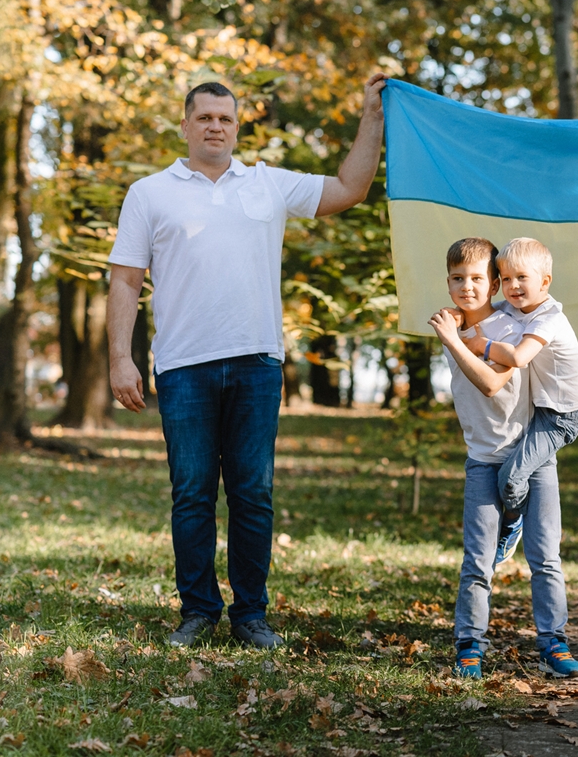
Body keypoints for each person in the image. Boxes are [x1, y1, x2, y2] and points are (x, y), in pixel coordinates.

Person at [106, 74, 389, 649]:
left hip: (258, 361)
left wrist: (372, 117)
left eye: (225, 119)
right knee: (191, 492)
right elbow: (126, 279)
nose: (215, 126)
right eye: (204, 117)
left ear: (237, 127)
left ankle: (251, 614)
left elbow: (349, 188)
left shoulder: (268, 184)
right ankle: (198, 612)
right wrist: (120, 357)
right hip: (183, 366)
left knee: (252, 493)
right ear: (185, 125)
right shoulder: (149, 192)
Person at [429, 238, 578, 680]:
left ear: (494, 283)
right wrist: (455, 333)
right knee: (477, 561)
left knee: (546, 556)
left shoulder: (515, 322)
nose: (467, 287)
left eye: (477, 279)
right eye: (458, 279)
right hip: (482, 458)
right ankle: (469, 646)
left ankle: (553, 644)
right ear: (448, 282)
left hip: (530, 456)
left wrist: (458, 341)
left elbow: (492, 384)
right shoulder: (451, 325)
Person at [463, 238, 578, 568]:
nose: (512, 286)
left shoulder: (550, 319)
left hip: (561, 416)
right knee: (513, 472)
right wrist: (454, 312)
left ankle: (513, 519)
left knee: (511, 478)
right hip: (540, 407)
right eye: (504, 279)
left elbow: (518, 357)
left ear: (545, 282)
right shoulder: (515, 308)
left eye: (521, 278)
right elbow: (484, 308)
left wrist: (481, 345)